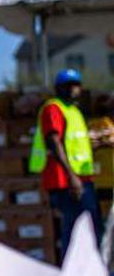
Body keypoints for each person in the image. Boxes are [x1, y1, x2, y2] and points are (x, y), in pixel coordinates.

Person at [29, 69, 100, 259]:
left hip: (82, 178)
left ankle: (89, 273)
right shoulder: (54, 108)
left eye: (76, 85)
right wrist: (72, 177)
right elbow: (54, 142)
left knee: (89, 226)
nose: (74, 90)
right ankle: (72, 273)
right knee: (75, 227)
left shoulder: (73, 111)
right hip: (66, 180)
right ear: (59, 88)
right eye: (69, 86)